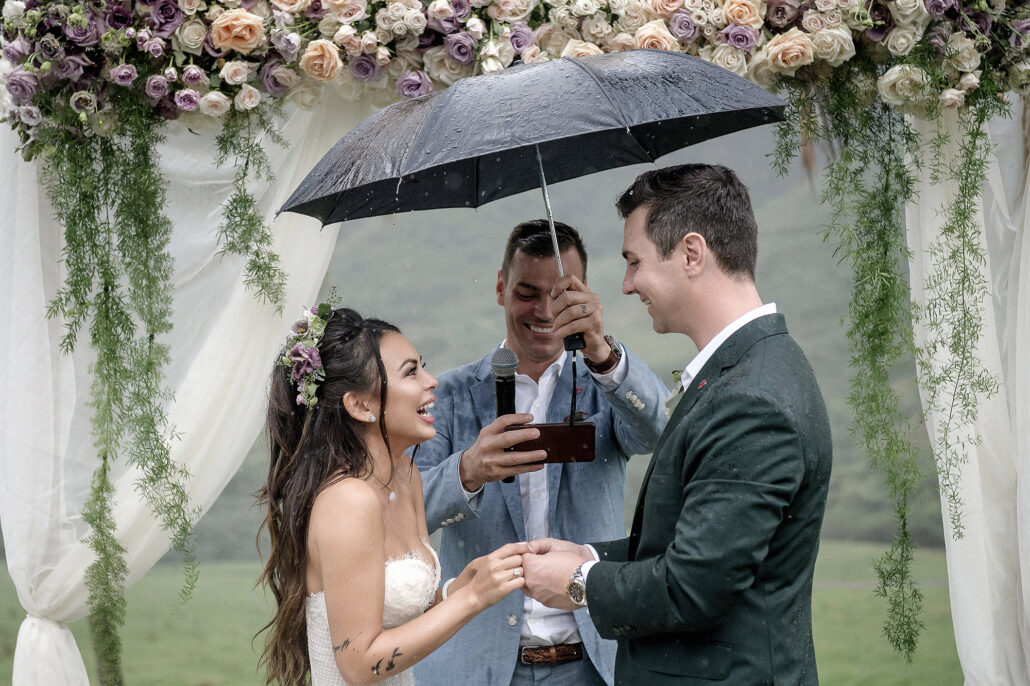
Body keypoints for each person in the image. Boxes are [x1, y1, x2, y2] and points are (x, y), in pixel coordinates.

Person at [520, 164, 833, 685]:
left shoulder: (752, 399)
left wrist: (579, 582)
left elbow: (692, 588)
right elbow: (694, 543)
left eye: (634, 261)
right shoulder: (745, 369)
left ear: (691, 253)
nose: (626, 285)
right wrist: (590, 553)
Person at [412, 220, 670, 686]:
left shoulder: (604, 381)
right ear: (500, 287)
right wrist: (468, 470)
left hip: (596, 662)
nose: (545, 311)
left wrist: (601, 351)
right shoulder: (449, 394)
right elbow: (409, 512)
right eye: (527, 292)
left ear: (585, 294)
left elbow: (658, 434)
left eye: (562, 294)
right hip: (476, 665)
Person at [257, 306, 529, 686]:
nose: (432, 381)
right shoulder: (347, 499)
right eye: (411, 372)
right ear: (360, 405)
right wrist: (473, 600)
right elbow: (358, 663)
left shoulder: (406, 476)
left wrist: (461, 585)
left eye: (423, 367)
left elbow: (395, 609)